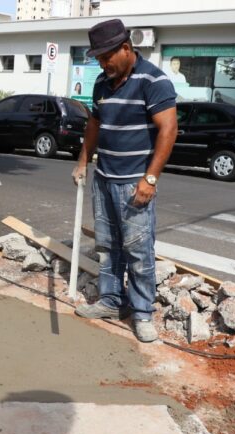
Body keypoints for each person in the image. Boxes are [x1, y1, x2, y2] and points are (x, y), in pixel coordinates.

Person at [71, 19, 178, 343]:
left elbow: (168, 130)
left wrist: (150, 178)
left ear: (127, 48)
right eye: (99, 59)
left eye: (107, 57)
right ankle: (110, 301)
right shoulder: (103, 83)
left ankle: (143, 313)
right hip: (104, 180)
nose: (102, 64)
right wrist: (82, 162)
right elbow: (94, 124)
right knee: (108, 246)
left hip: (134, 183)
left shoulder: (154, 81)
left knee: (138, 251)